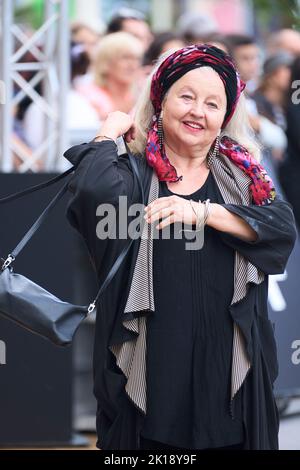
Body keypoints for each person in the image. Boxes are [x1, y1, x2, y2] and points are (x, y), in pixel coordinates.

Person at [63, 44, 297, 450]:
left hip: (229, 384)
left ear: (225, 116)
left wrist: (202, 213)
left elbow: (280, 229)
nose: (197, 112)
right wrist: (106, 135)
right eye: (186, 96)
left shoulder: (242, 179)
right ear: (160, 100)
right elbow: (91, 199)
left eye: (212, 103)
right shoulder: (132, 173)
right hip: (150, 380)